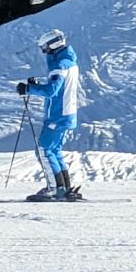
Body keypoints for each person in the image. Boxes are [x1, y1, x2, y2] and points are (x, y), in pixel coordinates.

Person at [16, 28, 82, 200]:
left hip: (58, 114)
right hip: (66, 113)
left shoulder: (59, 65)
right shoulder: (68, 61)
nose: (44, 51)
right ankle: (64, 187)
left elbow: (52, 90)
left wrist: (29, 89)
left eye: (45, 48)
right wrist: (38, 85)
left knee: (44, 149)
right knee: (54, 150)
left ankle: (53, 189)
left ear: (53, 45)